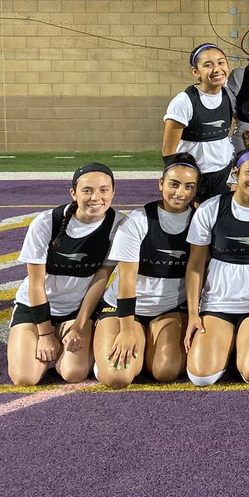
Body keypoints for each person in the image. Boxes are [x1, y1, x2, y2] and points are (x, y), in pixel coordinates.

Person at [183, 143, 249, 386]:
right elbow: (195, 266)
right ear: (236, 172)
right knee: (202, 376)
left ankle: (241, 345)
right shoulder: (211, 209)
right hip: (218, 304)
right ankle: (227, 344)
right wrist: (193, 314)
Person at [8, 163, 119, 386]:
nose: (96, 197)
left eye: (104, 190)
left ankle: (65, 336)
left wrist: (78, 326)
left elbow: (100, 280)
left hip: (77, 312)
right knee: (25, 378)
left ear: (113, 192)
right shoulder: (46, 222)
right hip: (35, 309)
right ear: (74, 193)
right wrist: (45, 334)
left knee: (73, 373)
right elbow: (36, 284)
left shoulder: (118, 225)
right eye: (87, 190)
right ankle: (47, 337)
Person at [93, 155, 199, 388]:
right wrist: (127, 329)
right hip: (124, 309)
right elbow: (127, 280)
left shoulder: (199, 220)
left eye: (189, 186)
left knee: (166, 371)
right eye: (174, 184)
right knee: (117, 377)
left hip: (170, 309)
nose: (180, 193)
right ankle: (114, 340)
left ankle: (148, 340)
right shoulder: (138, 220)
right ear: (161, 183)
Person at [162, 43, 234, 201]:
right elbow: (168, 152)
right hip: (194, 177)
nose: (216, 69)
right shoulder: (184, 101)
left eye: (221, 63)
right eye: (208, 65)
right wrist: (182, 181)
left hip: (223, 175)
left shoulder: (230, 95)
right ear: (196, 72)